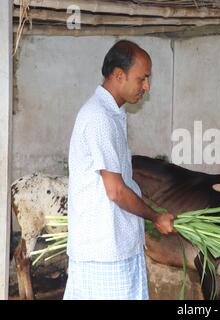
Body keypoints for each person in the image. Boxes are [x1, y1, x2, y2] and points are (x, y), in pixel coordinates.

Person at [64, 40, 175, 300]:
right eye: (142, 79)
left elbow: (122, 182)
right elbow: (115, 191)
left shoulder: (110, 114)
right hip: (105, 252)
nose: (147, 87)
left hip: (114, 246)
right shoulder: (99, 118)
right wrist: (155, 217)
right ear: (118, 75)